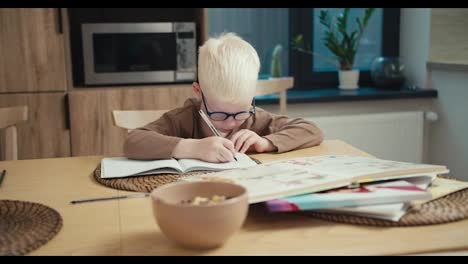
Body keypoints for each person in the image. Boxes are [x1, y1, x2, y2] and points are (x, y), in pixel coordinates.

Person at [124, 32, 323, 163]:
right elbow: (133, 141)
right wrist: (191, 147)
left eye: (240, 113)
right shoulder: (183, 119)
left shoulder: (254, 118)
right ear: (197, 91)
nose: (231, 123)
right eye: (219, 114)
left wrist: (266, 143)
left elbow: (311, 130)